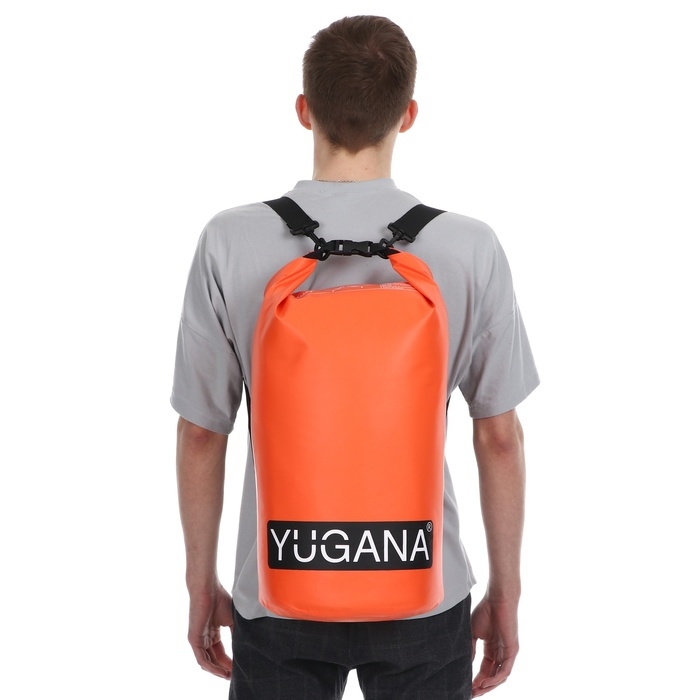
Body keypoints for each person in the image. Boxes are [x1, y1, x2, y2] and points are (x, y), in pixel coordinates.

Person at [172, 15, 539, 700]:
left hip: (277, 587)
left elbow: (200, 433)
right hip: (422, 586)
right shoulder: (470, 246)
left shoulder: (228, 240)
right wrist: (505, 592)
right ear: (408, 115)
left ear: (303, 109)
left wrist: (201, 583)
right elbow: (498, 437)